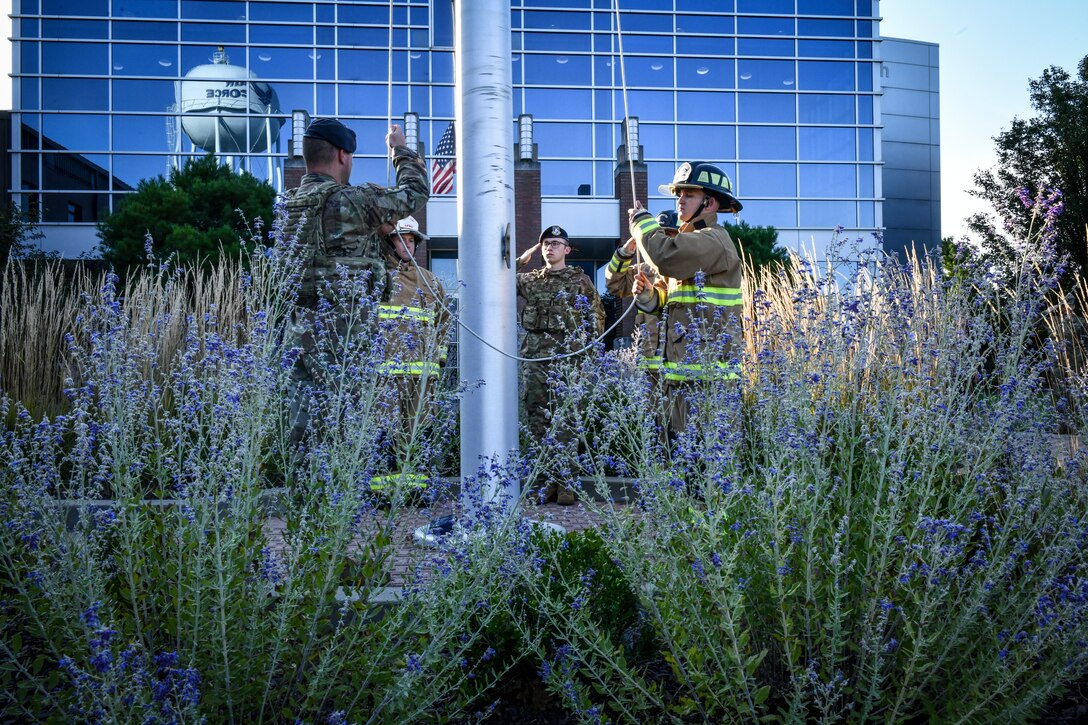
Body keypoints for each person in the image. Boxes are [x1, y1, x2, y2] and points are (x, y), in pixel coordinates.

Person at [282, 118, 430, 447]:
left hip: (296, 336)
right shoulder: (354, 201)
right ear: (342, 156)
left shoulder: (286, 206)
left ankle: (304, 498)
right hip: (342, 339)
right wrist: (399, 150)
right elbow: (416, 191)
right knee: (343, 435)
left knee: (301, 433)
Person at [627, 162, 744, 434]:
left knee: (707, 470)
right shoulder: (687, 242)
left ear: (710, 203)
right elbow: (666, 305)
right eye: (678, 194)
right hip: (679, 384)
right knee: (680, 468)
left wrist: (641, 221)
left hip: (709, 387)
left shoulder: (713, 240)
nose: (680, 200)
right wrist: (648, 297)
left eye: (688, 194)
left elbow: (664, 256)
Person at [516, 224, 606, 504]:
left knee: (566, 420)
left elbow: (597, 315)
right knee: (537, 420)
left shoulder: (579, 281)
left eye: (556, 243)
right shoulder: (531, 280)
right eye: (545, 243)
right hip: (536, 359)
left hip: (568, 360)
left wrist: (587, 354)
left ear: (567, 249)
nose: (549, 248)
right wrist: (521, 260)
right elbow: (500, 277)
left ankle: (566, 482)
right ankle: (543, 481)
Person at [371, 215, 450, 498]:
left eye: (411, 240)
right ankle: (381, 492)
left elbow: (444, 321)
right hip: (385, 373)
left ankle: (416, 490)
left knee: (419, 429)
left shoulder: (430, 281)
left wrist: (438, 359)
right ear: (389, 242)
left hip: (422, 375)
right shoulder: (376, 277)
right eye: (401, 239)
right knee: (383, 429)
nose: (407, 245)